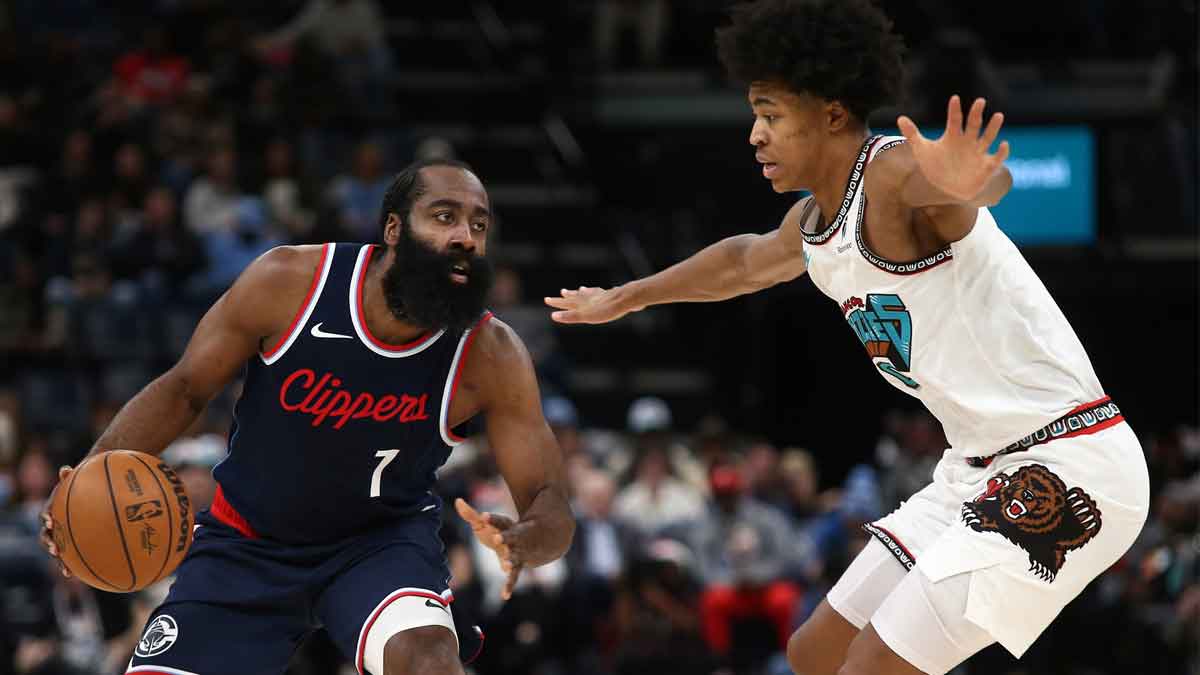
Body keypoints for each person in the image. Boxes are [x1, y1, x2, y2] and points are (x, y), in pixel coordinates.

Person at [544, 1, 1150, 674]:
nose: (755, 135)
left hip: (1069, 462)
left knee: (870, 667)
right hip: (974, 470)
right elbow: (742, 262)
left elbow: (955, 192)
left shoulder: (890, 175)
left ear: (832, 112)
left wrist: (968, 181)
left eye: (771, 114)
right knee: (815, 653)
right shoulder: (815, 226)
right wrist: (626, 296)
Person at [41, 158, 576, 675]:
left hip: (378, 546)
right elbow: (183, 389)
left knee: (431, 663)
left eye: (478, 225)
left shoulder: (491, 353)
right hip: (247, 540)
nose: (465, 236)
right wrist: (86, 480)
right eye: (444, 216)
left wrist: (526, 538)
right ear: (393, 228)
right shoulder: (290, 282)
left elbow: (550, 499)